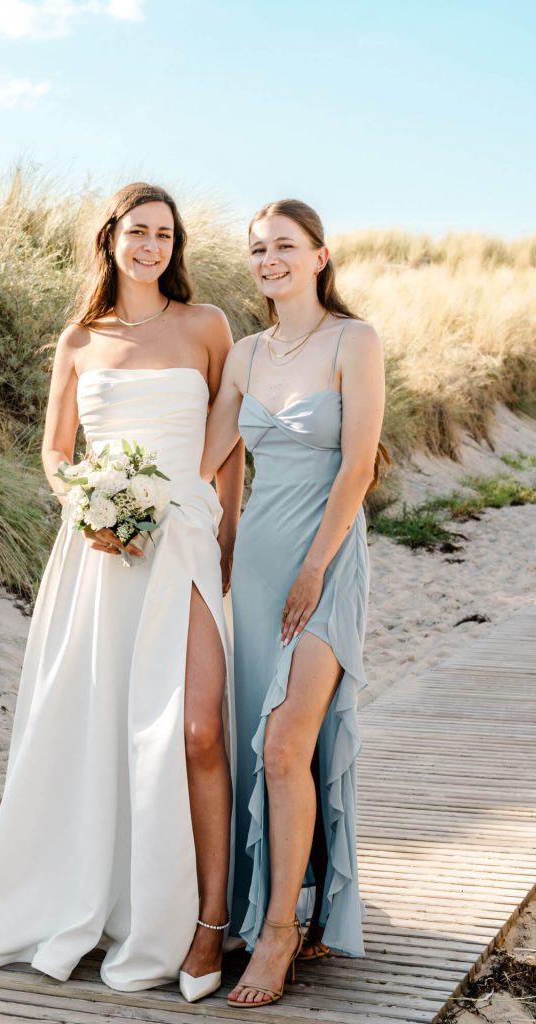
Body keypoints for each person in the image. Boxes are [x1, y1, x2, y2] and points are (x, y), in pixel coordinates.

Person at [0, 182, 244, 996]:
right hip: (103, 550)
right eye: (138, 231)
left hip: (186, 539)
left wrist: (226, 544)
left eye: (164, 235)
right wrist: (86, 507)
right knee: (103, 729)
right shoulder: (79, 338)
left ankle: (206, 923)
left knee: (195, 731)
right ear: (110, 237)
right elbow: (55, 450)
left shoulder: (206, 326)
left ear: (174, 247)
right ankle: (110, 905)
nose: (150, 246)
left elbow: (229, 447)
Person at [201, 198, 386, 1008]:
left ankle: (278, 933)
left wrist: (314, 569)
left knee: (284, 746)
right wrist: (120, 486)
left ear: (318, 256)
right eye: (256, 250)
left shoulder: (354, 340)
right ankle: (286, 906)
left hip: (328, 562)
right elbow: (206, 457)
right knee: (267, 749)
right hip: (257, 569)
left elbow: (358, 468)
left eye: (283, 246)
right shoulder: (245, 355)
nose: (268, 260)